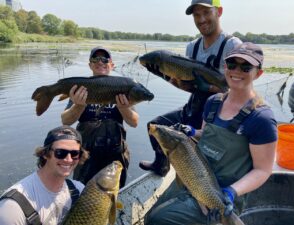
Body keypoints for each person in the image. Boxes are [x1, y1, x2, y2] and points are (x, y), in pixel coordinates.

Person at [144, 42, 278, 225]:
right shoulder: (213, 102)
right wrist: (191, 131)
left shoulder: (262, 119)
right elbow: (206, 136)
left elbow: (263, 170)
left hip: (222, 194)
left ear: (258, 73)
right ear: (225, 67)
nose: (237, 71)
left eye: (246, 67)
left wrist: (231, 192)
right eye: (232, 65)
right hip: (194, 177)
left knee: (158, 220)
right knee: (149, 218)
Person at [139, 0, 242, 176]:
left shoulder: (233, 46)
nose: (201, 19)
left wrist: (209, 87)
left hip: (220, 116)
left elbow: (240, 92)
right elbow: (191, 88)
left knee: (202, 156)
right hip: (194, 107)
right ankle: (161, 164)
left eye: (206, 12)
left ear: (219, 12)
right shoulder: (192, 47)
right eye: (196, 14)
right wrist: (170, 79)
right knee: (155, 126)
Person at [61, 46, 139, 188]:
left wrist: (123, 107)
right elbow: (66, 121)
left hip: (115, 152)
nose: (100, 62)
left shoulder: (121, 86)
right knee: (82, 191)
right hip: (86, 153)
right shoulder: (82, 87)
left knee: (114, 192)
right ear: (90, 65)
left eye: (105, 59)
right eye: (95, 59)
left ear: (112, 65)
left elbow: (134, 122)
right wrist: (79, 105)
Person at [0, 125, 88, 225]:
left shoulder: (79, 190)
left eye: (74, 154)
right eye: (60, 153)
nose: (68, 159)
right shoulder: (12, 207)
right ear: (45, 154)